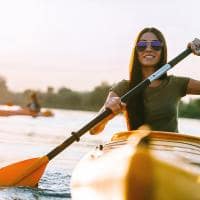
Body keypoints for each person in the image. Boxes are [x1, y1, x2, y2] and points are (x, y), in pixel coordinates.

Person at [90, 27, 200, 134]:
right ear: (136, 51)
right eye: (142, 45)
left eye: (155, 45)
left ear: (162, 50)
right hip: (138, 149)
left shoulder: (176, 84)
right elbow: (93, 130)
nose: (148, 48)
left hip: (170, 148)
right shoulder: (123, 87)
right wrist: (108, 113)